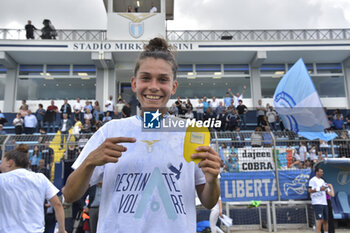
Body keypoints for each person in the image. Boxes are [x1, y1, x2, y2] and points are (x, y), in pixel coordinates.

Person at [63, 37, 221, 233]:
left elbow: (208, 201)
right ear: (134, 84)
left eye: (162, 79)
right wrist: (89, 162)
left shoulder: (191, 132)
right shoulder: (111, 130)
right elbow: (69, 195)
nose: (153, 86)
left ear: (173, 87)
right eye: (146, 78)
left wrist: (213, 180)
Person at [0, 146, 66, 233]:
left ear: (10, 163)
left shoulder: (2, 179)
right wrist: (61, 230)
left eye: (2, 162)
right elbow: (57, 204)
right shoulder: (40, 178)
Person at [308, 168, 334, 233]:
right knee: (320, 220)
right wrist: (319, 189)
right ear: (317, 172)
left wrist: (331, 187)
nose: (322, 173)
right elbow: (309, 190)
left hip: (324, 203)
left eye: (322, 172)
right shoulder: (312, 180)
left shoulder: (322, 181)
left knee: (326, 220)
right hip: (317, 202)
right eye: (321, 172)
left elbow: (331, 193)